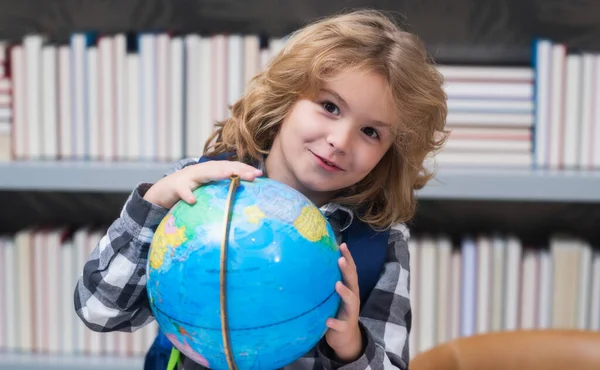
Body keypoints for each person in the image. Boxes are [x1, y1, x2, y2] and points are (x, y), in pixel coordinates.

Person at [74, 8, 448, 370]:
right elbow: (99, 312)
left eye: (371, 132)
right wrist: (155, 201)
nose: (340, 140)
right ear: (287, 98)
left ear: (388, 154)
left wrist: (353, 346)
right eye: (330, 106)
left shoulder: (381, 240)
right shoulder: (196, 189)